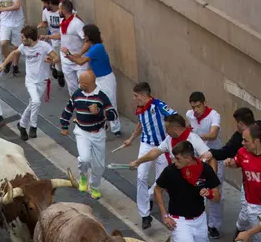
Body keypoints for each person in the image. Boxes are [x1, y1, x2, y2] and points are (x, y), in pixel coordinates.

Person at [154, 141, 221, 242]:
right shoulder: (170, 171)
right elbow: (158, 189)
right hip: (179, 221)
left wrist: (209, 194)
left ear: (189, 158)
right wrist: (164, 215)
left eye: (177, 159)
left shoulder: (205, 170)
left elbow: (217, 197)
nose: (173, 162)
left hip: (199, 219)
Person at [124, 82, 177, 229]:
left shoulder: (159, 105)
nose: (135, 99)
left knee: (161, 181)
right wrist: (132, 138)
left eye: (136, 96)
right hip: (146, 144)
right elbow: (141, 123)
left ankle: (149, 196)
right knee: (141, 177)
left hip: (162, 147)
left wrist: (173, 137)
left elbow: (174, 116)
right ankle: (145, 215)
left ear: (143, 95)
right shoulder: (141, 109)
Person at [59, 70, 118, 200]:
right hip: (82, 132)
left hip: (98, 134)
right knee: (84, 158)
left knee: (99, 166)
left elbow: (114, 115)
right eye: (80, 81)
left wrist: (99, 112)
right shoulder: (77, 94)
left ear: (91, 83)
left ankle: (94, 187)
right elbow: (68, 109)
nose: (80, 84)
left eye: (83, 83)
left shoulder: (101, 96)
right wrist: (64, 125)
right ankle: (83, 176)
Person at [0, 25, 58, 140]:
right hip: (30, 80)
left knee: (33, 104)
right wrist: (3, 64)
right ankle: (33, 126)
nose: (21, 40)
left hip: (43, 80)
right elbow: (13, 53)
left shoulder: (44, 46)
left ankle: (22, 124)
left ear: (30, 38)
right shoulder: (23, 47)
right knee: (36, 101)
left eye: (23, 38)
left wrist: (51, 61)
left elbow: (56, 57)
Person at [62, 24, 121, 136]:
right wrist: (74, 55)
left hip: (106, 79)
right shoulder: (94, 46)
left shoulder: (97, 48)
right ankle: (103, 124)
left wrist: (69, 54)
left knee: (111, 103)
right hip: (98, 78)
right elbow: (81, 54)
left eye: (85, 34)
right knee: (96, 101)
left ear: (89, 36)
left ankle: (116, 128)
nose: (83, 36)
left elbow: (80, 62)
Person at [186, 92, 223, 238]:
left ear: (204, 103)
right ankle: (198, 222)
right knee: (198, 190)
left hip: (215, 157)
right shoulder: (189, 114)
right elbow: (188, 126)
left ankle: (214, 225)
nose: (195, 110)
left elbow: (213, 134)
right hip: (199, 160)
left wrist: (194, 137)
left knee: (215, 193)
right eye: (193, 107)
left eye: (198, 106)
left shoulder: (214, 115)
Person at [129, 113, 211, 169]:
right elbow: (155, 152)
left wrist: (212, 185)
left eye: (167, 129)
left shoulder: (193, 139)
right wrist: (138, 162)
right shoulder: (169, 139)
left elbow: (210, 158)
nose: (166, 131)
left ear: (175, 129)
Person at [55, 0, 87, 95]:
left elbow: (86, 39)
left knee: (84, 86)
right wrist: (47, 37)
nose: (58, 11)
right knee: (72, 88)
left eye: (59, 9)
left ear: (64, 10)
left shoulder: (77, 23)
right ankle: (75, 107)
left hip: (79, 61)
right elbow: (63, 35)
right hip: (66, 60)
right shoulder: (62, 21)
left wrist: (80, 53)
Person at [0, 0, 24, 75]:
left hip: (17, 22)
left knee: (17, 46)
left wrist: (2, 9)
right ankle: (8, 60)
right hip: (5, 22)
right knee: (3, 44)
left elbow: (17, 6)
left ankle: (15, 65)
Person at [38, 0, 63, 87]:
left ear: (50, 2)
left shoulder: (61, 10)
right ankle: (59, 72)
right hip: (54, 39)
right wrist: (42, 25)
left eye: (45, 3)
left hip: (64, 38)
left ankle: (57, 69)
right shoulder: (45, 12)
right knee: (56, 55)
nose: (44, 5)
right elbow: (45, 22)